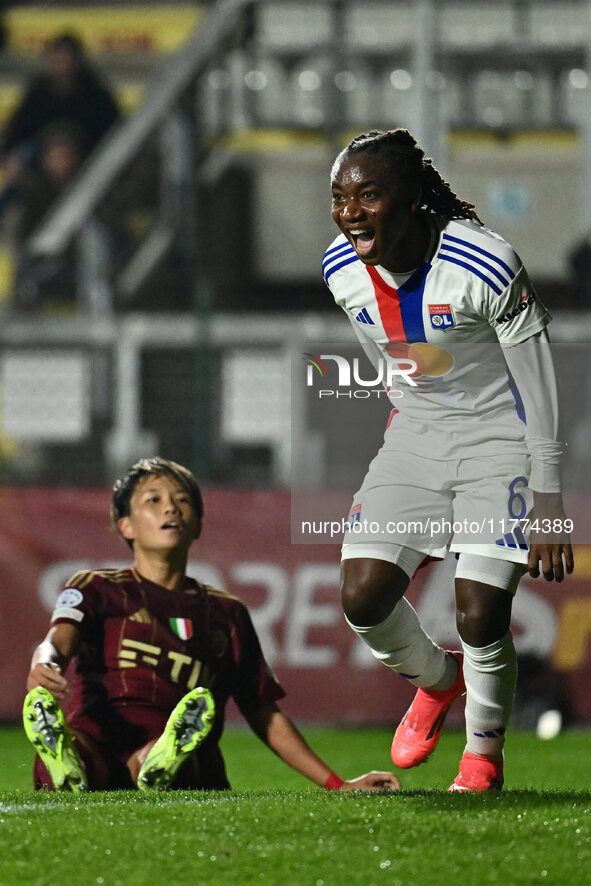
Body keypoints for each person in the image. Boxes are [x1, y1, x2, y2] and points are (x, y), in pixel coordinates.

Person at [323, 128, 573, 792]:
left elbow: (541, 380)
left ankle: (482, 755)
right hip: (416, 435)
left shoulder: (483, 262)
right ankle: (437, 681)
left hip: (501, 439)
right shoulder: (340, 268)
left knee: (480, 610)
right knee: (362, 596)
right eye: (339, 197)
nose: (350, 211)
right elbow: (390, 360)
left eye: (368, 195)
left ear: (409, 199)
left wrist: (547, 497)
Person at [24, 457, 400, 794]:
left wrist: (338, 783)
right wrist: (44, 663)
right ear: (126, 525)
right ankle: (70, 761)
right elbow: (56, 640)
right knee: (79, 751)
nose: (170, 506)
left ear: (198, 524)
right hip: (98, 734)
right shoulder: (94, 587)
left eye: (182, 500)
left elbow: (262, 711)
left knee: (179, 761)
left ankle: (161, 757)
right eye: (153, 500)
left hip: (176, 751)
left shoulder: (226, 612)